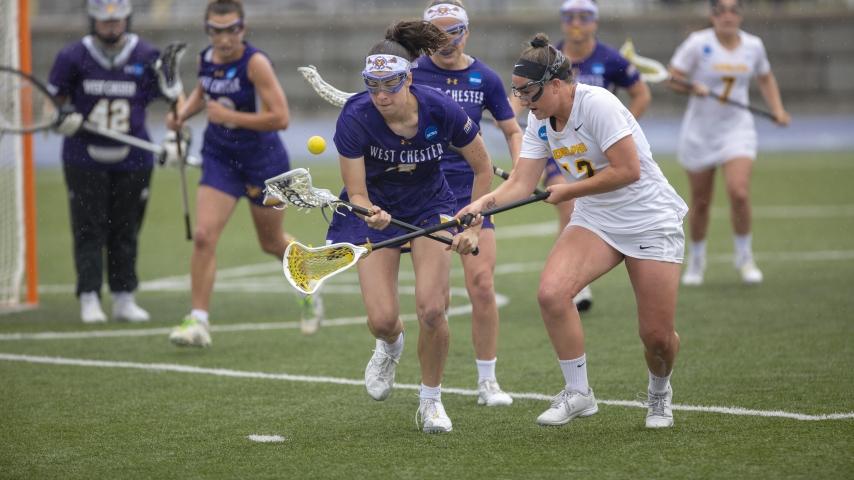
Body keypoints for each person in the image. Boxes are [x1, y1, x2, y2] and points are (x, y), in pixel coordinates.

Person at [458, 33, 688, 428]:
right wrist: (481, 205)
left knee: (657, 337)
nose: (523, 101)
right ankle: (579, 392)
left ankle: (659, 391)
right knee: (551, 293)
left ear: (556, 84)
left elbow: (628, 170)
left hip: (649, 218)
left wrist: (569, 191)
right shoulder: (540, 119)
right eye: (518, 92)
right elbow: (521, 182)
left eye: (529, 92)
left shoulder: (598, 104)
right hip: (597, 218)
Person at [329, 20, 492, 432]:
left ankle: (431, 401)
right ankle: (389, 346)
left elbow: (482, 167)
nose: (381, 96)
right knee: (383, 320)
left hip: (430, 205)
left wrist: (472, 225)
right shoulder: (355, 116)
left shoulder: (440, 108)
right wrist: (370, 212)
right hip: (376, 209)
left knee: (433, 310)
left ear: (409, 78)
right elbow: (356, 192)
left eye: (391, 85)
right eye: (372, 86)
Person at [166, 0, 323, 347]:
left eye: (231, 30)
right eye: (216, 31)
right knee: (204, 236)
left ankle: (308, 274)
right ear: (208, 30)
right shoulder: (205, 60)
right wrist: (182, 115)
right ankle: (198, 321)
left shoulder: (255, 64)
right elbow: (203, 93)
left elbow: (281, 118)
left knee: (270, 242)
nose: (224, 39)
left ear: (243, 28)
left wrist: (230, 118)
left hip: (263, 161)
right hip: (220, 156)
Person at [413, 0, 522, 407]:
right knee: (436, 303)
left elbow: (512, 129)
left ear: (467, 32)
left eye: (455, 31)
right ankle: (419, 374)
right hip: (425, 193)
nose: (448, 41)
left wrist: (521, 168)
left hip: (473, 189)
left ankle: (487, 381)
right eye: (438, 33)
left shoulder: (484, 77)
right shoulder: (412, 73)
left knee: (481, 284)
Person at [48, 0, 163, 324]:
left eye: (117, 21)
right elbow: (52, 104)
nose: (111, 27)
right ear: (92, 21)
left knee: (126, 229)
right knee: (89, 228)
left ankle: (124, 296)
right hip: (84, 157)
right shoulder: (72, 56)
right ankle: (89, 296)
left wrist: (175, 137)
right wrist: (61, 118)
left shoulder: (146, 55)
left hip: (133, 158)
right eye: (104, 22)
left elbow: (172, 98)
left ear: (127, 19)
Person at [668, 0, 790, 286]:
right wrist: (691, 87)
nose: (727, 16)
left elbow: (765, 77)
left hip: (737, 130)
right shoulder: (697, 43)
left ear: (741, 15)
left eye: (734, 10)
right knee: (700, 201)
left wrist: (778, 109)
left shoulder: (753, 46)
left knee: (739, 192)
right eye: (720, 11)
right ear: (712, 16)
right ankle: (697, 259)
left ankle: (744, 257)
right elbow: (672, 79)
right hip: (700, 132)